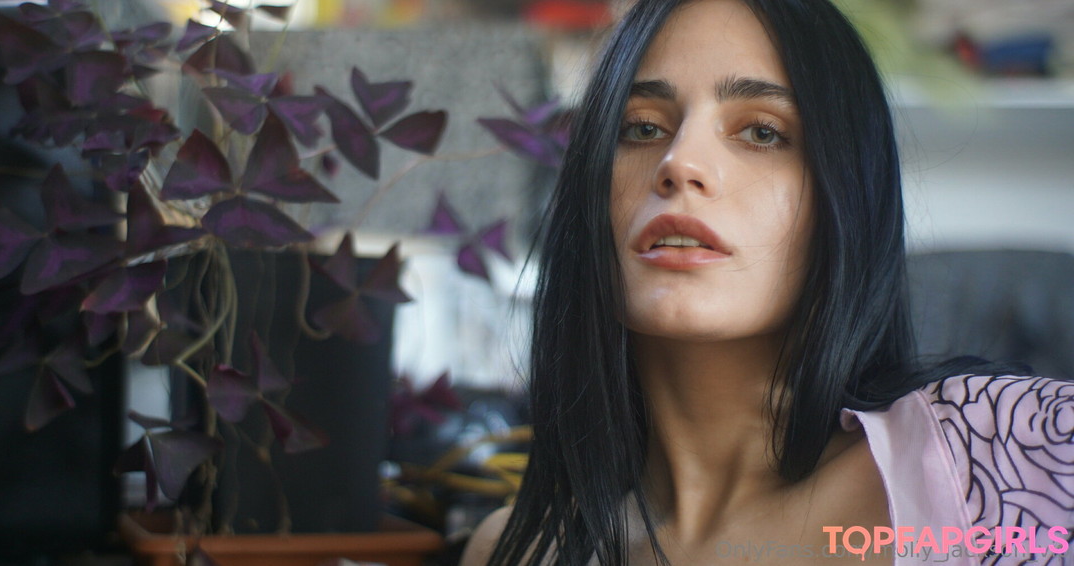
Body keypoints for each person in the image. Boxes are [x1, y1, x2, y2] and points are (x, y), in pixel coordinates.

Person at [460, 0, 1074, 564]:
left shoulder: (1016, 446)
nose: (679, 161)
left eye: (762, 131)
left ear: (847, 198)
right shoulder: (521, 551)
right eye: (642, 128)